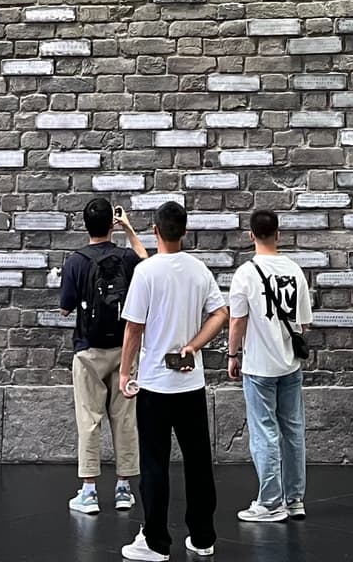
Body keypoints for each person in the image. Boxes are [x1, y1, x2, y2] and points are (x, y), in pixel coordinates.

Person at [119, 200, 229, 562]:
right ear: (184, 232)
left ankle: (154, 542)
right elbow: (221, 313)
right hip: (191, 385)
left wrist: (124, 372)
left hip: (153, 384)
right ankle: (202, 537)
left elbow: (134, 328)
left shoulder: (147, 272)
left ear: (155, 231)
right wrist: (194, 345)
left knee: (154, 464)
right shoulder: (198, 270)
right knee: (198, 462)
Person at [59, 198, 148, 514]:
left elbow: (65, 306)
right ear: (112, 223)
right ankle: (124, 489)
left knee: (89, 419)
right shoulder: (125, 257)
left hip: (88, 351)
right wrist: (129, 229)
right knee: (125, 420)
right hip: (125, 350)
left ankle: (89, 492)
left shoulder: (76, 261)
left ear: (85, 225)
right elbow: (148, 265)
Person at [227, 209, 313, 524]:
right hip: (290, 364)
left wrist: (232, 355)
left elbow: (237, 321)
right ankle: (295, 500)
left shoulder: (245, 273)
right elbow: (304, 324)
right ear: (278, 234)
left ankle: (270, 502)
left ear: (251, 235)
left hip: (258, 365)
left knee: (264, 432)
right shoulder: (295, 270)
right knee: (293, 430)